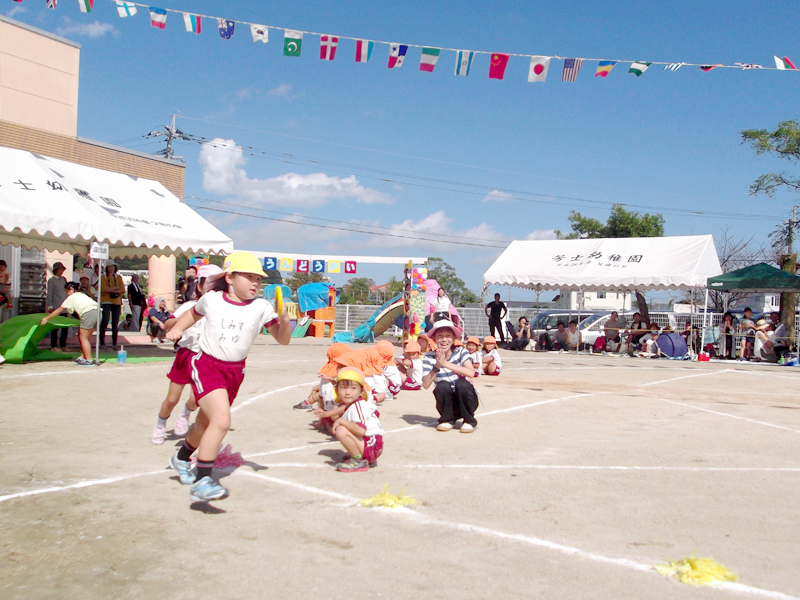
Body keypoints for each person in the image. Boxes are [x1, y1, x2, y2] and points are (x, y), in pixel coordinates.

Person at [165, 251, 292, 502]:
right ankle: (202, 480)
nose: (255, 282)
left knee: (204, 423)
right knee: (221, 421)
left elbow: (283, 339)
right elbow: (192, 313)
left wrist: (285, 320)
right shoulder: (212, 299)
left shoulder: (261, 307)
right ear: (230, 277)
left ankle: (180, 459)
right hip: (208, 366)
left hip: (235, 372)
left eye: (258, 278)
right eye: (248, 276)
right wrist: (178, 328)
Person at [151, 264, 222, 445]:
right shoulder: (191, 306)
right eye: (210, 283)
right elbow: (168, 324)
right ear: (199, 286)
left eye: (218, 283)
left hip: (206, 358)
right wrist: (178, 325)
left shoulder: (221, 310)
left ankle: (185, 414)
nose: (214, 288)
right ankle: (161, 422)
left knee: (197, 398)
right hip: (186, 355)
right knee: (172, 399)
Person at [422, 319, 478, 433]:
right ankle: (448, 419)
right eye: (440, 336)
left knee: (461, 383)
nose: (444, 340)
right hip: (447, 403)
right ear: (434, 339)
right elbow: (426, 384)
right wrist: (437, 365)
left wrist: (445, 363)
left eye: (448, 336)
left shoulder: (461, 352)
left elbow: (471, 372)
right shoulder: (428, 357)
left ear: (453, 338)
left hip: (466, 400)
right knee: (442, 385)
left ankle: (469, 420)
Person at [331, 367, 384, 472]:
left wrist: (341, 421)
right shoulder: (353, 404)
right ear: (337, 390)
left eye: (353, 388)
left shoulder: (357, 406)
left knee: (341, 430)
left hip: (373, 446)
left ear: (361, 392)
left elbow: (361, 430)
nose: (347, 392)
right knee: (344, 427)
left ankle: (359, 461)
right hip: (372, 445)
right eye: (343, 387)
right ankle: (359, 455)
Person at [39, 282, 98, 367]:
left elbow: (59, 310)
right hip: (98, 313)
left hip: (89, 313)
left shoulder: (72, 297)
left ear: (71, 290)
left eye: (67, 291)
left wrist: (47, 318)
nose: (67, 293)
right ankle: (83, 357)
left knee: (83, 337)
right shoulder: (81, 295)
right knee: (85, 338)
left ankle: (88, 360)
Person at [294, 342, 351, 411]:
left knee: (327, 389)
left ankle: (309, 402)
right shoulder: (344, 368)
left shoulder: (334, 369)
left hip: (339, 401)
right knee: (327, 389)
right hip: (339, 399)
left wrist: (317, 388)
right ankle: (310, 402)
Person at [99, 261, 125, 349]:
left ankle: (114, 343)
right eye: (109, 267)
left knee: (115, 323)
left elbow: (122, 289)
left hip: (116, 301)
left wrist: (113, 290)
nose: (111, 268)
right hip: (106, 301)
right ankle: (102, 343)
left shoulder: (118, 277)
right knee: (104, 321)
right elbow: (104, 289)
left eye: (112, 266)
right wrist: (116, 288)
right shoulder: (103, 277)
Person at [46, 262, 69, 352]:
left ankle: (63, 344)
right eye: (60, 269)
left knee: (65, 327)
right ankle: (54, 345)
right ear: (55, 270)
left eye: (62, 269)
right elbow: (50, 293)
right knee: (55, 328)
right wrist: (50, 305)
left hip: (64, 306)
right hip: (55, 306)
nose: (61, 271)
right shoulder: (51, 280)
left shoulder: (63, 279)